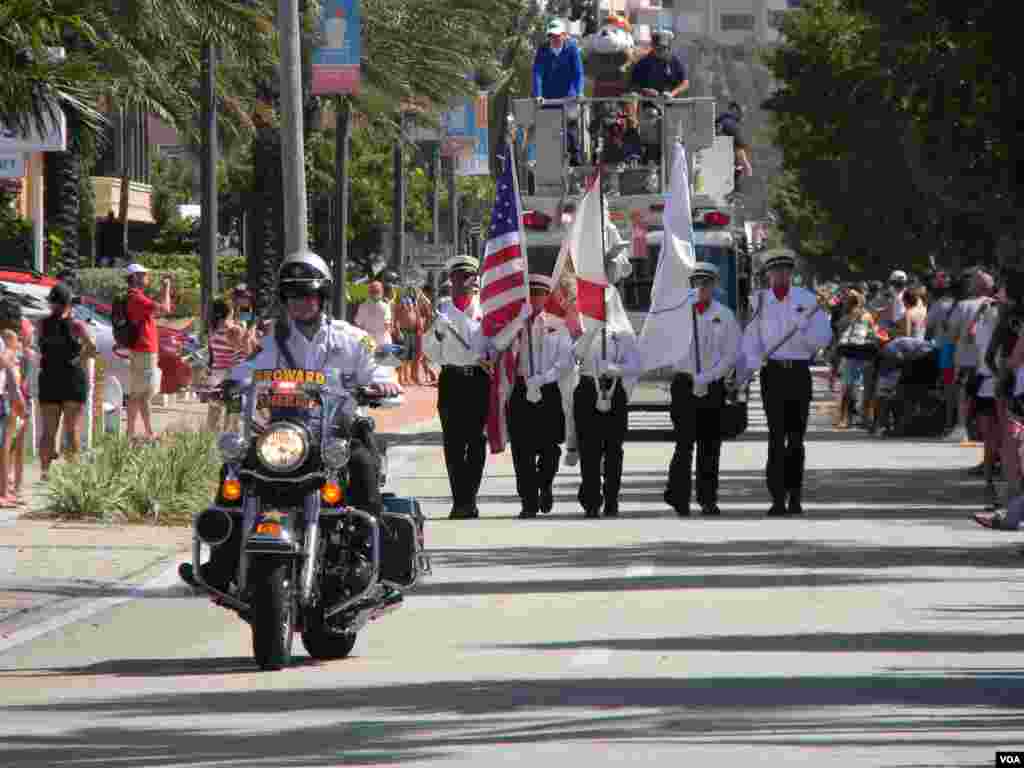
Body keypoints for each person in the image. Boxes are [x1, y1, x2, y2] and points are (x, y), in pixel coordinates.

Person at [180, 250, 402, 592]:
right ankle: (222, 564)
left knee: (363, 465)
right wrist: (224, 385)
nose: (300, 302)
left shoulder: (351, 338)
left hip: (336, 434)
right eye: (292, 295)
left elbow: (377, 366)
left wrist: (383, 382)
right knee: (236, 471)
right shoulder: (274, 341)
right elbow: (248, 370)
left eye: (308, 293)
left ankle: (366, 560)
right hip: (284, 436)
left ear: (322, 296)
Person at [739, 252, 833, 516]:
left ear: (791, 274)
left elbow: (824, 338)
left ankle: (795, 495)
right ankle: (777, 497)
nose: (780, 276)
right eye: (775, 271)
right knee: (775, 437)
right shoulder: (759, 301)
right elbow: (750, 337)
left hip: (798, 373)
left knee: (796, 439)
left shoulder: (807, 300)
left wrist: (806, 330)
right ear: (768, 275)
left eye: (785, 271)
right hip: (774, 373)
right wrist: (753, 358)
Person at [663, 264, 741, 517]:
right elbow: (669, 350)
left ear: (714, 287)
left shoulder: (725, 315)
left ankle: (708, 498)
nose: (701, 289)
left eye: (706, 284)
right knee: (684, 443)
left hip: (712, 386)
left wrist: (708, 377)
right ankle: (679, 496)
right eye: (696, 284)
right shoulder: (679, 316)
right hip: (685, 384)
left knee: (710, 444)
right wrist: (687, 373)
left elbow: (731, 354)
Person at [422, 255, 491, 520]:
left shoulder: (486, 309)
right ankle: (459, 500)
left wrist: (492, 358)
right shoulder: (442, 311)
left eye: (469, 277)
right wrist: (437, 334)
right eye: (458, 277)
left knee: (476, 442)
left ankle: (469, 498)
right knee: (453, 443)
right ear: (450, 280)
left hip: (478, 380)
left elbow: (496, 345)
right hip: (452, 380)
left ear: (476, 280)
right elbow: (432, 354)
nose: (463, 282)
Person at [509, 273, 574, 519]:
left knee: (550, 449)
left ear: (547, 297)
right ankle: (528, 500)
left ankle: (544, 484)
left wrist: (544, 378)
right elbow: (503, 352)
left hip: (547, 391)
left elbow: (566, 361)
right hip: (521, 390)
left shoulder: (556, 324)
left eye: (540, 294)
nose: (536, 299)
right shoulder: (515, 325)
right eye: (532, 294)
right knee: (521, 450)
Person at [573, 288, 641, 519]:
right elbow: (573, 355)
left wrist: (616, 369)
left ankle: (611, 499)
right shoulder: (582, 328)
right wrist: (589, 333)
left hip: (613, 390)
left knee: (613, 450)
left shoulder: (622, 332)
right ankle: (591, 501)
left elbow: (635, 365)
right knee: (589, 450)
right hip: (587, 390)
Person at [37, 283, 97, 480]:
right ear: (69, 303)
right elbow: (92, 348)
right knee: (71, 430)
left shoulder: (42, 324)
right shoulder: (77, 325)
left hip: (49, 379)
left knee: (48, 431)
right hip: (72, 379)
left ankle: (45, 472)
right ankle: (73, 475)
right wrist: (76, 360)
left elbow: (39, 348)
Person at [124, 263, 172, 441]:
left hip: (142, 351)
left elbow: (155, 308)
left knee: (142, 395)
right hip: (144, 351)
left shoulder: (137, 298)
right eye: (145, 275)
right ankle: (131, 433)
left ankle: (147, 432)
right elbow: (165, 309)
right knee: (140, 394)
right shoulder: (136, 298)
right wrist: (167, 288)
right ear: (136, 277)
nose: (148, 277)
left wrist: (161, 291)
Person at [948, 269, 994, 444]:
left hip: (965, 358)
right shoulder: (995, 304)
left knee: (964, 394)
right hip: (987, 359)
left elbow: (952, 335)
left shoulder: (963, 305)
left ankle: (962, 428)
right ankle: (985, 433)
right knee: (985, 397)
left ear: (975, 286)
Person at [533, 18, 585, 165]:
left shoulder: (572, 48)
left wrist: (579, 92)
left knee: (571, 129)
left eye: (557, 35)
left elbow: (578, 73)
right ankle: (550, 163)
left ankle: (576, 163)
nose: (554, 39)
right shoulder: (543, 50)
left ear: (564, 35)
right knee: (550, 131)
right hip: (549, 98)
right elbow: (537, 73)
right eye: (551, 36)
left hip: (569, 96)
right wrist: (538, 95)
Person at [833, 289, 877, 429]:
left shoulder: (846, 318)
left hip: (851, 355)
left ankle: (846, 419)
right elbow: (873, 333)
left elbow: (839, 335)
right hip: (866, 355)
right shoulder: (867, 315)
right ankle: (866, 418)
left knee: (848, 387)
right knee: (866, 388)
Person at [205, 299, 251, 432]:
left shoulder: (212, 329)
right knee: (233, 417)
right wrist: (247, 337)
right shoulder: (234, 329)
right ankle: (231, 446)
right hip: (234, 375)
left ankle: (209, 444)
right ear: (229, 312)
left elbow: (213, 355)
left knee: (214, 415)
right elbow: (246, 352)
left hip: (217, 375)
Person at [715, 102, 753, 192]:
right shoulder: (731, 124)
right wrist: (746, 164)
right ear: (735, 111)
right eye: (741, 113)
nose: (742, 116)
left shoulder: (721, 122)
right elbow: (739, 147)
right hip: (724, 168)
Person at [354, 281, 393, 349]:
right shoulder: (385, 306)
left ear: (369, 292)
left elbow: (358, 325)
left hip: (368, 341)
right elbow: (387, 326)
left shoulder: (363, 306)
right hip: (383, 342)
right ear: (381, 293)